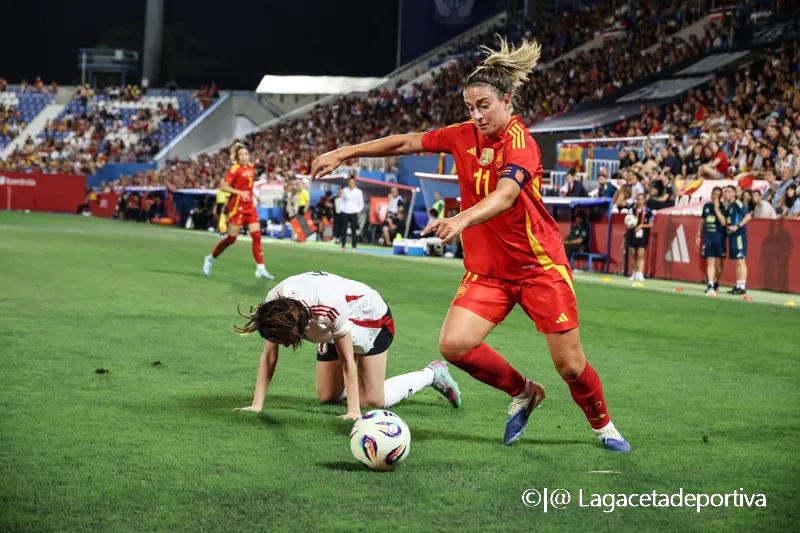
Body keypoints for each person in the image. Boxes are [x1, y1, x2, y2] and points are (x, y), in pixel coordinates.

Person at [310, 37, 630, 452]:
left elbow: (505, 196)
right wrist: (346, 151)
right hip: (489, 271)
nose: (476, 116)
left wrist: (460, 220)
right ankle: (524, 391)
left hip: (539, 268)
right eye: (470, 108)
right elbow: (406, 142)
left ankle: (603, 426)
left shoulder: (521, 145)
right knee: (455, 345)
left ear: (508, 102)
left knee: (569, 365)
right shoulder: (462, 136)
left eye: (484, 106)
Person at [232, 271, 461, 419]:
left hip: (370, 319)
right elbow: (269, 356)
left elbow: (346, 360)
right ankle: (357, 381)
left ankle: (432, 374)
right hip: (328, 326)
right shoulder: (276, 306)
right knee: (327, 396)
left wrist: (354, 411)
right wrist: (256, 405)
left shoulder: (328, 307)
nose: (281, 345)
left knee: (373, 400)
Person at [203, 143, 274, 279]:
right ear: (237, 156)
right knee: (231, 239)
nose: (244, 157)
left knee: (257, 236)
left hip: (250, 206)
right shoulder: (234, 169)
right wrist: (239, 192)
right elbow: (224, 186)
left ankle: (260, 268)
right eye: (241, 154)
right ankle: (210, 258)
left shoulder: (251, 168)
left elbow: (249, 187)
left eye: (246, 154)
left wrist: (256, 196)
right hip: (237, 207)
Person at [696, 187, 727, 296]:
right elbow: (703, 221)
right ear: (711, 195)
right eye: (715, 194)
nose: (716, 197)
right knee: (710, 260)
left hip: (719, 237)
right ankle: (710, 284)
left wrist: (717, 209)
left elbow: (724, 222)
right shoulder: (706, 207)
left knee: (718, 263)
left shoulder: (723, 208)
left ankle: (716, 281)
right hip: (708, 237)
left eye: (719, 195)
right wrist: (699, 234)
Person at [723, 185, 751, 295]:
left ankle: (742, 286)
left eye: (729, 191)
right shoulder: (729, 207)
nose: (726, 194)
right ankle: (738, 285)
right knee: (736, 262)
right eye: (725, 192)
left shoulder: (738, 204)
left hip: (739, 236)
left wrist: (738, 226)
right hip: (732, 237)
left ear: (734, 193)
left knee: (740, 260)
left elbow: (748, 216)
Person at [627, 193, 654, 282]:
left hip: (643, 235)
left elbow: (651, 224)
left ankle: (640, 273)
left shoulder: (648, 211)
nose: (640, 201)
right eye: (638, 199)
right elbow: (627, 220)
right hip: (632, 234)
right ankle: (634, 273)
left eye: (641, 199)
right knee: (633, 253)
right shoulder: (632, 210)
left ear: (644, 200)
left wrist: (642, 225)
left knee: (640, 254)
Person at [340, 177, 363, 250]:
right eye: (350, 182)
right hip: (345, 212)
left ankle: (354, 246)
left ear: (354, 183)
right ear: (348, 183)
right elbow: (342, 200)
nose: (351, 184)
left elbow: (361, 203)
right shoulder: (345, 191)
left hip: (353, 213)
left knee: (354, 230)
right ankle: (343, 246)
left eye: (352, 183)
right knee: (344, 229)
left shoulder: (358, 192)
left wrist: (357, 210)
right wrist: (342, 209)